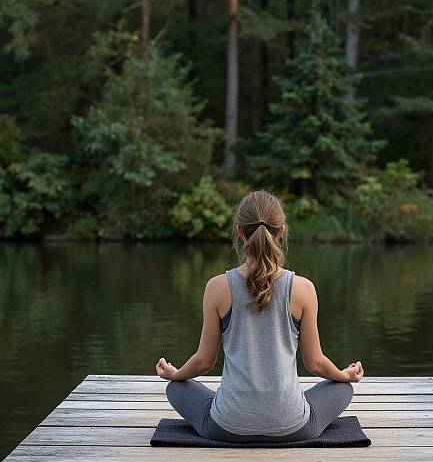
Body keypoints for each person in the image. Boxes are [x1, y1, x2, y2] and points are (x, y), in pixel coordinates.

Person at [155, 190, 364, 443]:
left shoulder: (217, 287)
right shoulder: (304, 289)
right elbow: (316, 364)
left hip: (226, 427)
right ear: (282, 232)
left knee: (177, 388)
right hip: (294, 427)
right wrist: (344, 375)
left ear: (240, 232)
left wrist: (175, 375)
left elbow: (203, 362)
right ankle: (286, 409)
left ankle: (238, 409)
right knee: (342, 388)